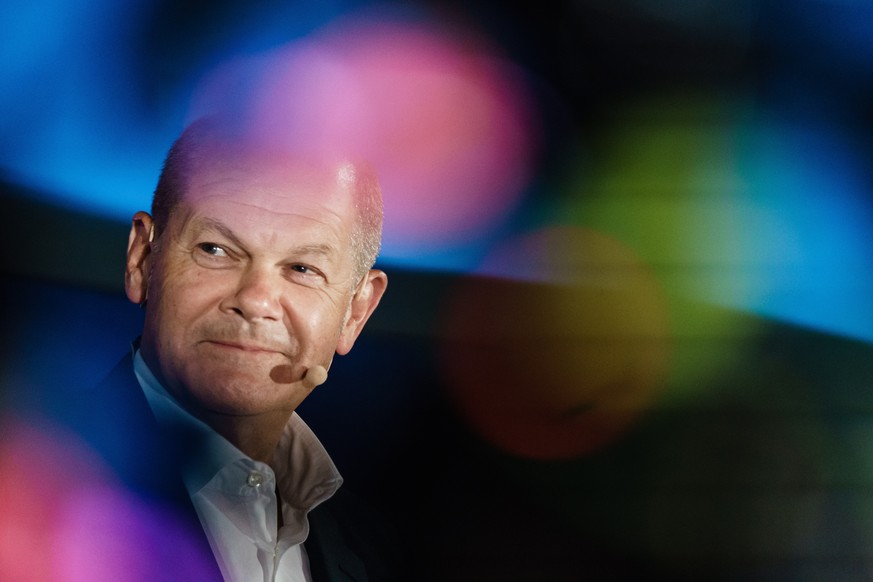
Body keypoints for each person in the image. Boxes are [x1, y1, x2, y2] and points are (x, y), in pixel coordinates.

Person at [71, 116, 390, 581]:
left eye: (302, 268)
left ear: (357, 312)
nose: (255, 301)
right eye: (216, 249)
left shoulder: (372, 549)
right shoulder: (29, 481)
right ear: (142, 260)